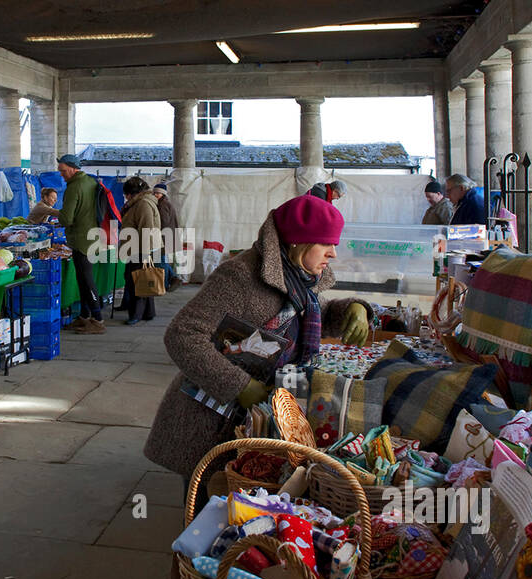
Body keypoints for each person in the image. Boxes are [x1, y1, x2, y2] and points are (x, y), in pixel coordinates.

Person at [143, 193, 374, 487]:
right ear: (297, 242)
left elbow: (310, 314)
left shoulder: (297, 277)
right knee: (206, 503)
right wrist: (241, 386)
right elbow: (182, 335)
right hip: (212, 417)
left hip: (254, 413)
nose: (333, 253)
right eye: (325, 243)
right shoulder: (239, 276)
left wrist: (354, 309)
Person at [57, 153, 105, 334]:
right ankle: (85, 317)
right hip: (94, 237)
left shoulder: (74, 187)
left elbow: (66, 219)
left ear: (71, 168)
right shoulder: (91, 183)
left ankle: (98, 319)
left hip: (81, 240)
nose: (61, 175)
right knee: (83, 279)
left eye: (62, 171)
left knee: (86, 280)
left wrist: (50, 211)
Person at [119, 176, 162, 325]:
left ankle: (135, 314)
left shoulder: (143, 204)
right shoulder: (140, 203)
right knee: (145, 278)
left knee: (135, 282)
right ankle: (148, 312)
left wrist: (144, 253)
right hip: (138, 247)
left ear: (132, 193)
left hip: (140, 248)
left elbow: (146, 229)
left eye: (126, 194)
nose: (125, 197)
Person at [152, 182, 181, 288]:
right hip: (169, 236)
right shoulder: (167, 203)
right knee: (162, 260)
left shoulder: (162, 205)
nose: (155, 195)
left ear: (163, 194)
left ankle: (164, 285)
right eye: (154, 193)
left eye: (158, 193)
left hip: (164, 237)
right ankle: (174, 278)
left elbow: (163, 221)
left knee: (161, 261)